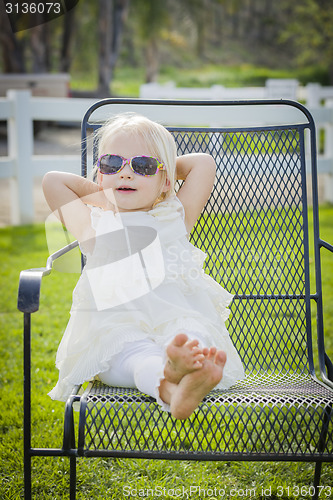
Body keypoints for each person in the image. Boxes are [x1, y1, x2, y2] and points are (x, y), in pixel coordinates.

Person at [42, 113, 244, 420]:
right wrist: (107, 194)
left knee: (192, 339)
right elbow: (53, 181)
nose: (125, 174)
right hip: (117, 333)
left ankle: (185, 373)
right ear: (100, 173)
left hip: (175, 325)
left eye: (142, 166)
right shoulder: (94, 226)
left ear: (166, 180)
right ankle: (169, 387)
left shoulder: (175, 215)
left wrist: (161, 172)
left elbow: (203, 162)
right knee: (136, 359)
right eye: (112, 164)